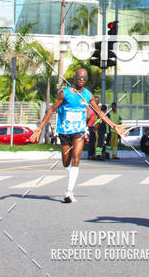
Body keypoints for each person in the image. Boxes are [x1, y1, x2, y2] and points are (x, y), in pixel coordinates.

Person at [31, 69, 126, 202]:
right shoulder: (64, 94)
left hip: (79, 132)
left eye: (84, 78)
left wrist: (114, 126)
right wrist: (40, 127)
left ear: (86, 80)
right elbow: (51, 110)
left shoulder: (87, 95)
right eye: (79, 77)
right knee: (66, 163)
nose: (81, 79)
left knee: (76, 158)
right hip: (64, 131)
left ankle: (69, 193)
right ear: (75, 78)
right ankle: (69, 172)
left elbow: (100, 114)